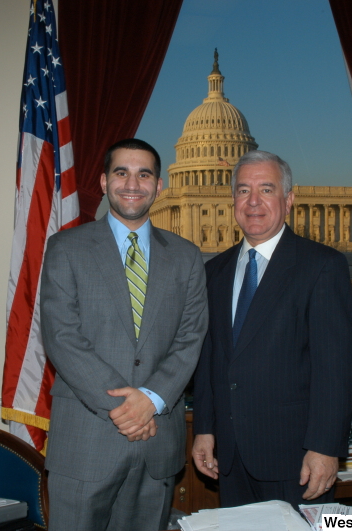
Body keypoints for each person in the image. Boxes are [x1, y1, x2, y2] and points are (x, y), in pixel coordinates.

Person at [40, 138, 208, 531]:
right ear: (103, 181)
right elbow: (62, 337)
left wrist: (150, 401)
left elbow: (191, 337)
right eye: (122, 172)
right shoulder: (66, 248)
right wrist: (128, 409)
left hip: (156, 443)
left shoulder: (185, 256)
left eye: (144, 174)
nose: (133, 183)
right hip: (86, 441)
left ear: (159, 185)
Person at [192, 150, 352, 509]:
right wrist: (204, 429)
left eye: (266, 189)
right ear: (233, 200)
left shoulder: (322, 266)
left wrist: (325, 448)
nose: (253, 202)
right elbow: (210, 360)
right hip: (230, 455)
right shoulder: (214, 272)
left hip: (296, 457)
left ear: (288, 200)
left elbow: (336, 370)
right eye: (243, 191)